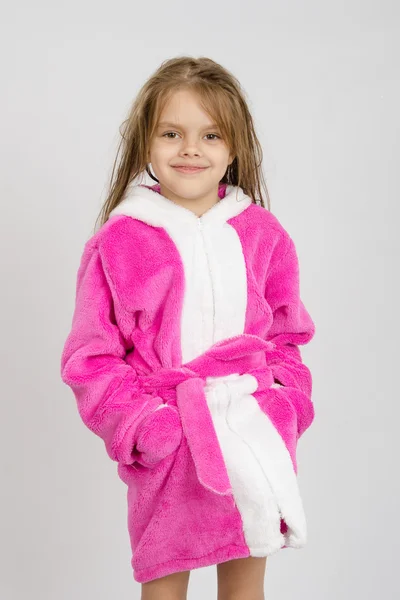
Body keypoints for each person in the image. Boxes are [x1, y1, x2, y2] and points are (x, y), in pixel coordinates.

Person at [60, 55, 316, 600]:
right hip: (171, 431)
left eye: (210, 135)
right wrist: (142, 425)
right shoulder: (121, 240)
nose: (190, 149)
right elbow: (91, 356)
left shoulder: (263, 234)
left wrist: (286, 402)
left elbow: (287, 334)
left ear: (235, 147)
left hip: (250, 427)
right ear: (146, 144)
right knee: (165, 583)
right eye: (171, 133)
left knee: (247, 578)